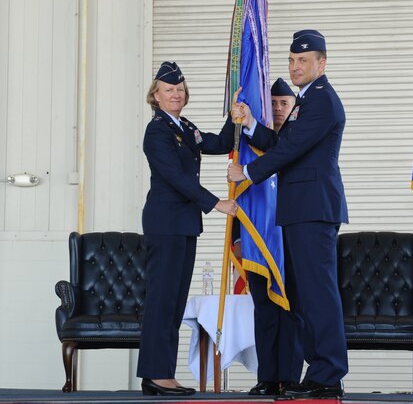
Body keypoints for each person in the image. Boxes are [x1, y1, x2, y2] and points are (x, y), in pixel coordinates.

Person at [228, 30, 349, 398]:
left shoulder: (322, 100)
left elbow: (290, 150)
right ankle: (319, 372)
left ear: (321, 64)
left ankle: (328, 374)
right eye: (293, 61)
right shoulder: (304, 100)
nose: (296, 67)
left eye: (304, 61)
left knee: (319, 294)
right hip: (299, 211)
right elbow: (281, 143)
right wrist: (249, 124)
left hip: (313, 210)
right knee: (305, 296)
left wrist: (247, 173)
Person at [137, 61, 238, 396]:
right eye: (169, 90)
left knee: (175, 302)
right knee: (162, 300)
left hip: (183, 225)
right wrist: (216, 203)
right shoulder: (158, 131)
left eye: (179, 89)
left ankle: (162, 373)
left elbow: (221, 142)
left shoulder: (183, 127)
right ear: (156, 95)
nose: (176, 94)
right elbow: (177, 178)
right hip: (165, 224)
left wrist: (235, 112)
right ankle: (155, 374)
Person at [243, 77, 299, 396]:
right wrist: (240, 237)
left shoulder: (300, 139)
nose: (278, 109)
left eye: (284, 103)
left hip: (291, 237)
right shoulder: (251, 149)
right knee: (264, 310)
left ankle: (290, 377)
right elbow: (246, 196)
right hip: (258, 240)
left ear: (294, 108)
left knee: (290, 310)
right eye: (273, 103)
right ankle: (267, 377)